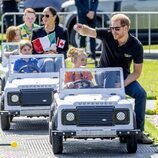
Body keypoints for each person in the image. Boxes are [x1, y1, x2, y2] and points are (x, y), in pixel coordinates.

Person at [74, 13, 153, 144]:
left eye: (117, 28)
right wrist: (81, 28)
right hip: (103, 73)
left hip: (123, 77)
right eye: (111, 28)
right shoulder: (107, 35)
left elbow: (136, 73)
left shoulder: (136, 46)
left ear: (126, 28)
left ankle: (138, 132)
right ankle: (110, 126)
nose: (113, 31)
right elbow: (90, 31)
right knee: (110, 84)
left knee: (141, 94)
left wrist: (122, 84)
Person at [31, 6, 69, 71]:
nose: (44, 18)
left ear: (54, 17)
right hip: (41, 59)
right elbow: (33, 51)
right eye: (43, 15)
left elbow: (65, 50)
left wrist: (56, 53)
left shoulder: (62, 31)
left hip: (58, 58)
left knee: (58, 60)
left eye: (47, 16)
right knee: (49, 61)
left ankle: (59, 80)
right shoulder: (36, 32)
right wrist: (43, 54)